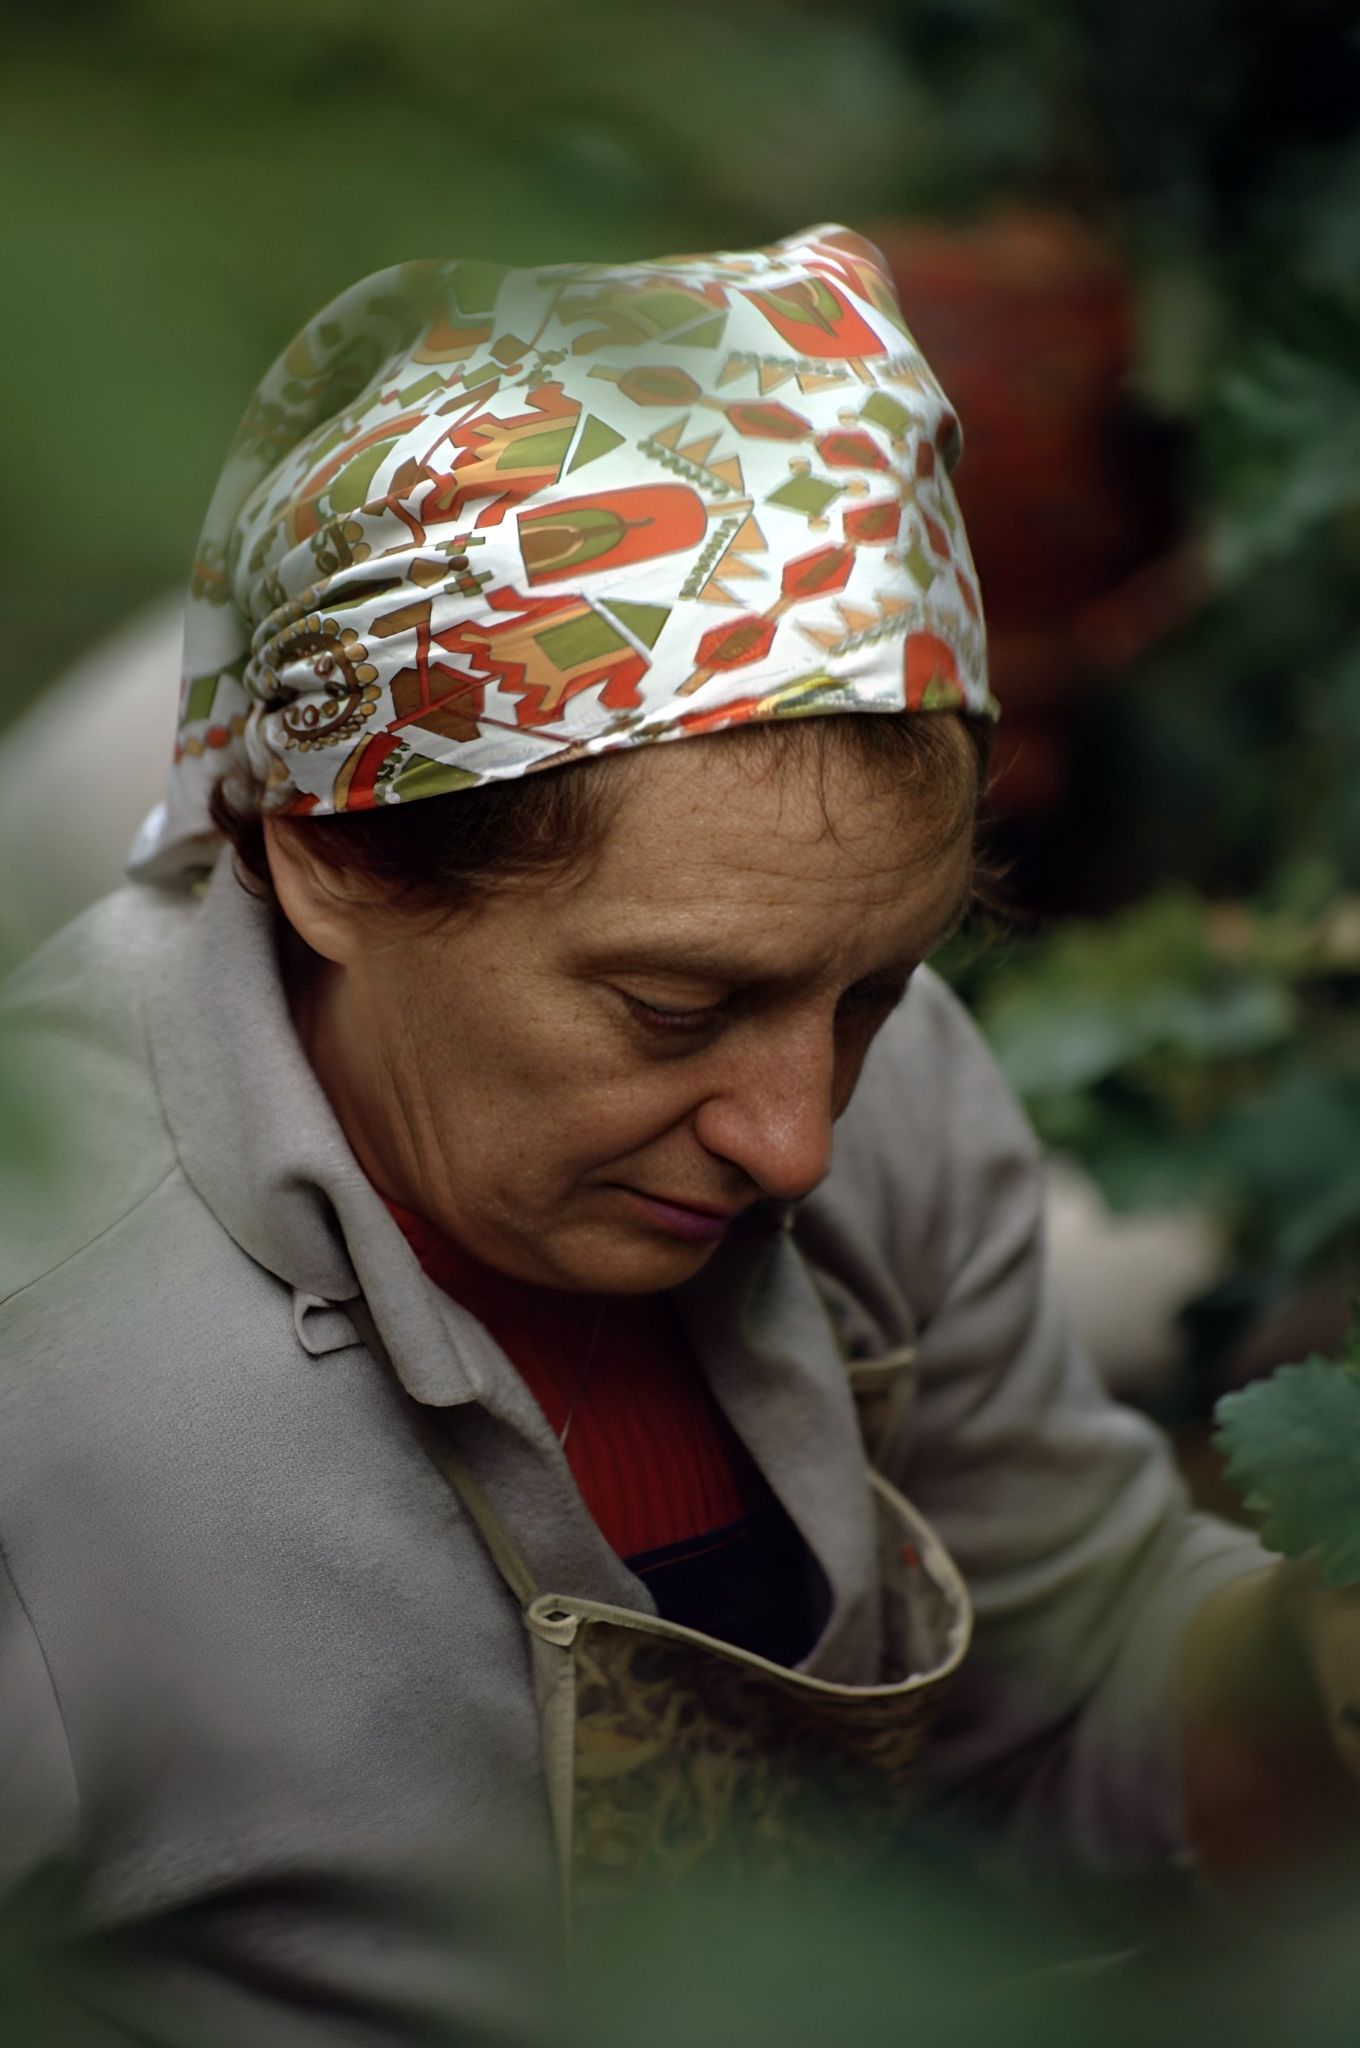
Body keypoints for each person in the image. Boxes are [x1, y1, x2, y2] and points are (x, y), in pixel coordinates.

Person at [2, 226, 1356, 2046]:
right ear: (325, 860)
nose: (797, 1139)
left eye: (873, 988)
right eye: (669, 1012)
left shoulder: (879, 1095)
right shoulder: (53, 1370)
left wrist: (1306, 1677)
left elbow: (1059, 1675)